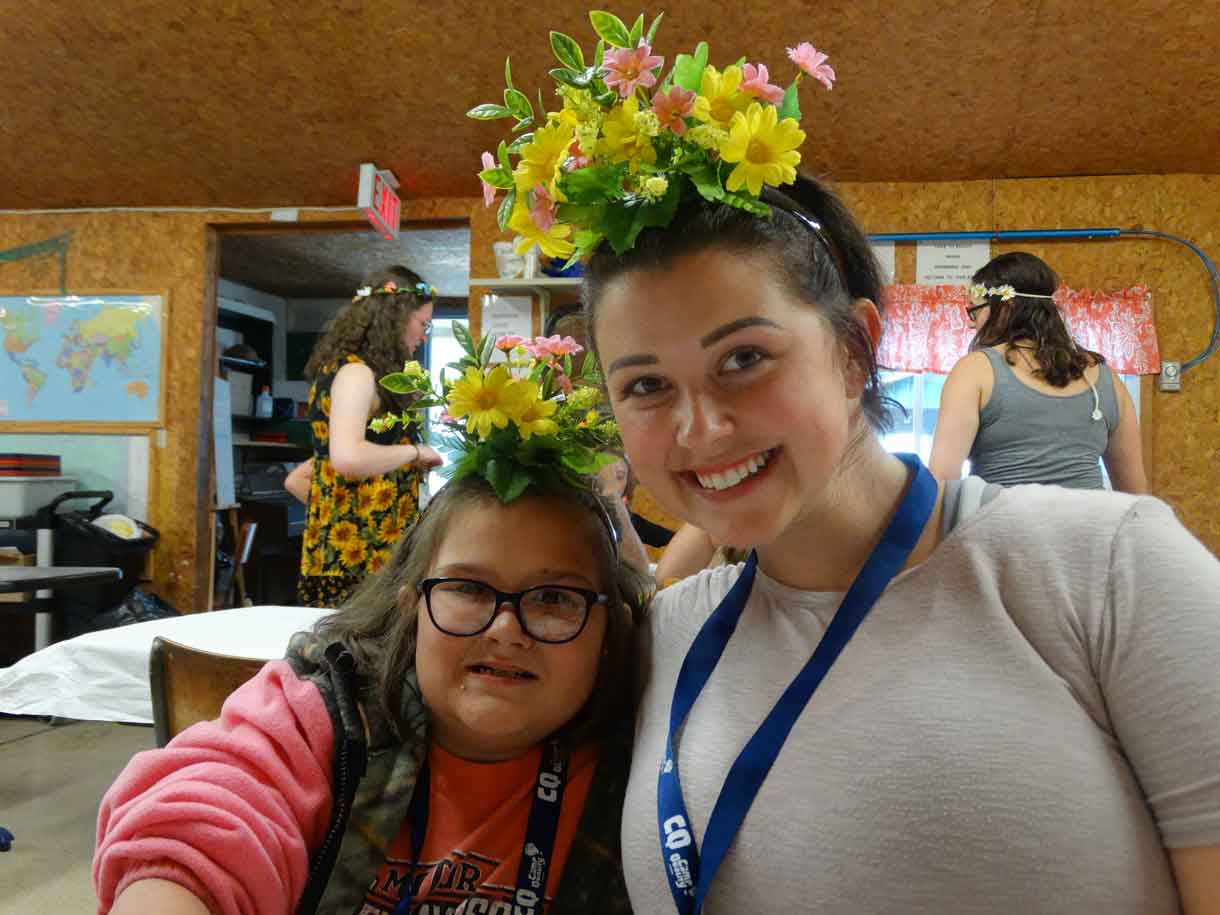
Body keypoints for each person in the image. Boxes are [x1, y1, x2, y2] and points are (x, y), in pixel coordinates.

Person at [473, 17, 1219, 910]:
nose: (702, 428)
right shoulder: (666, 635)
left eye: (744, 357)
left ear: (858, 348)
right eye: (644, 385)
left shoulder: (1108, 568)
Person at [94, 326, 651, 914]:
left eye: (554, 599)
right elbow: (212, 809)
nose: (505, 628)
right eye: (466, 587)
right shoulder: (332, 709)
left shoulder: (648, 754)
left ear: (608, 628)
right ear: (411, 606)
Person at [928, 251, 1148, 491]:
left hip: (1001, 528)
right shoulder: (1107, 379)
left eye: (976, 311)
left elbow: (941, 483)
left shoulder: (974, 370)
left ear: (1006, 308)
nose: (971, 323)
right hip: (1089, 528)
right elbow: (1134, 495)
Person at [295, 266, 443, 607]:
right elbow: (348, 458)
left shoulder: (354, 372)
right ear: (395, 318)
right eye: (423, 324)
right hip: (356, 560)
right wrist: (415, 453)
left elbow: (310, 472)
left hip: (364, 554)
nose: (424, 334)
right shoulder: (356, 372)